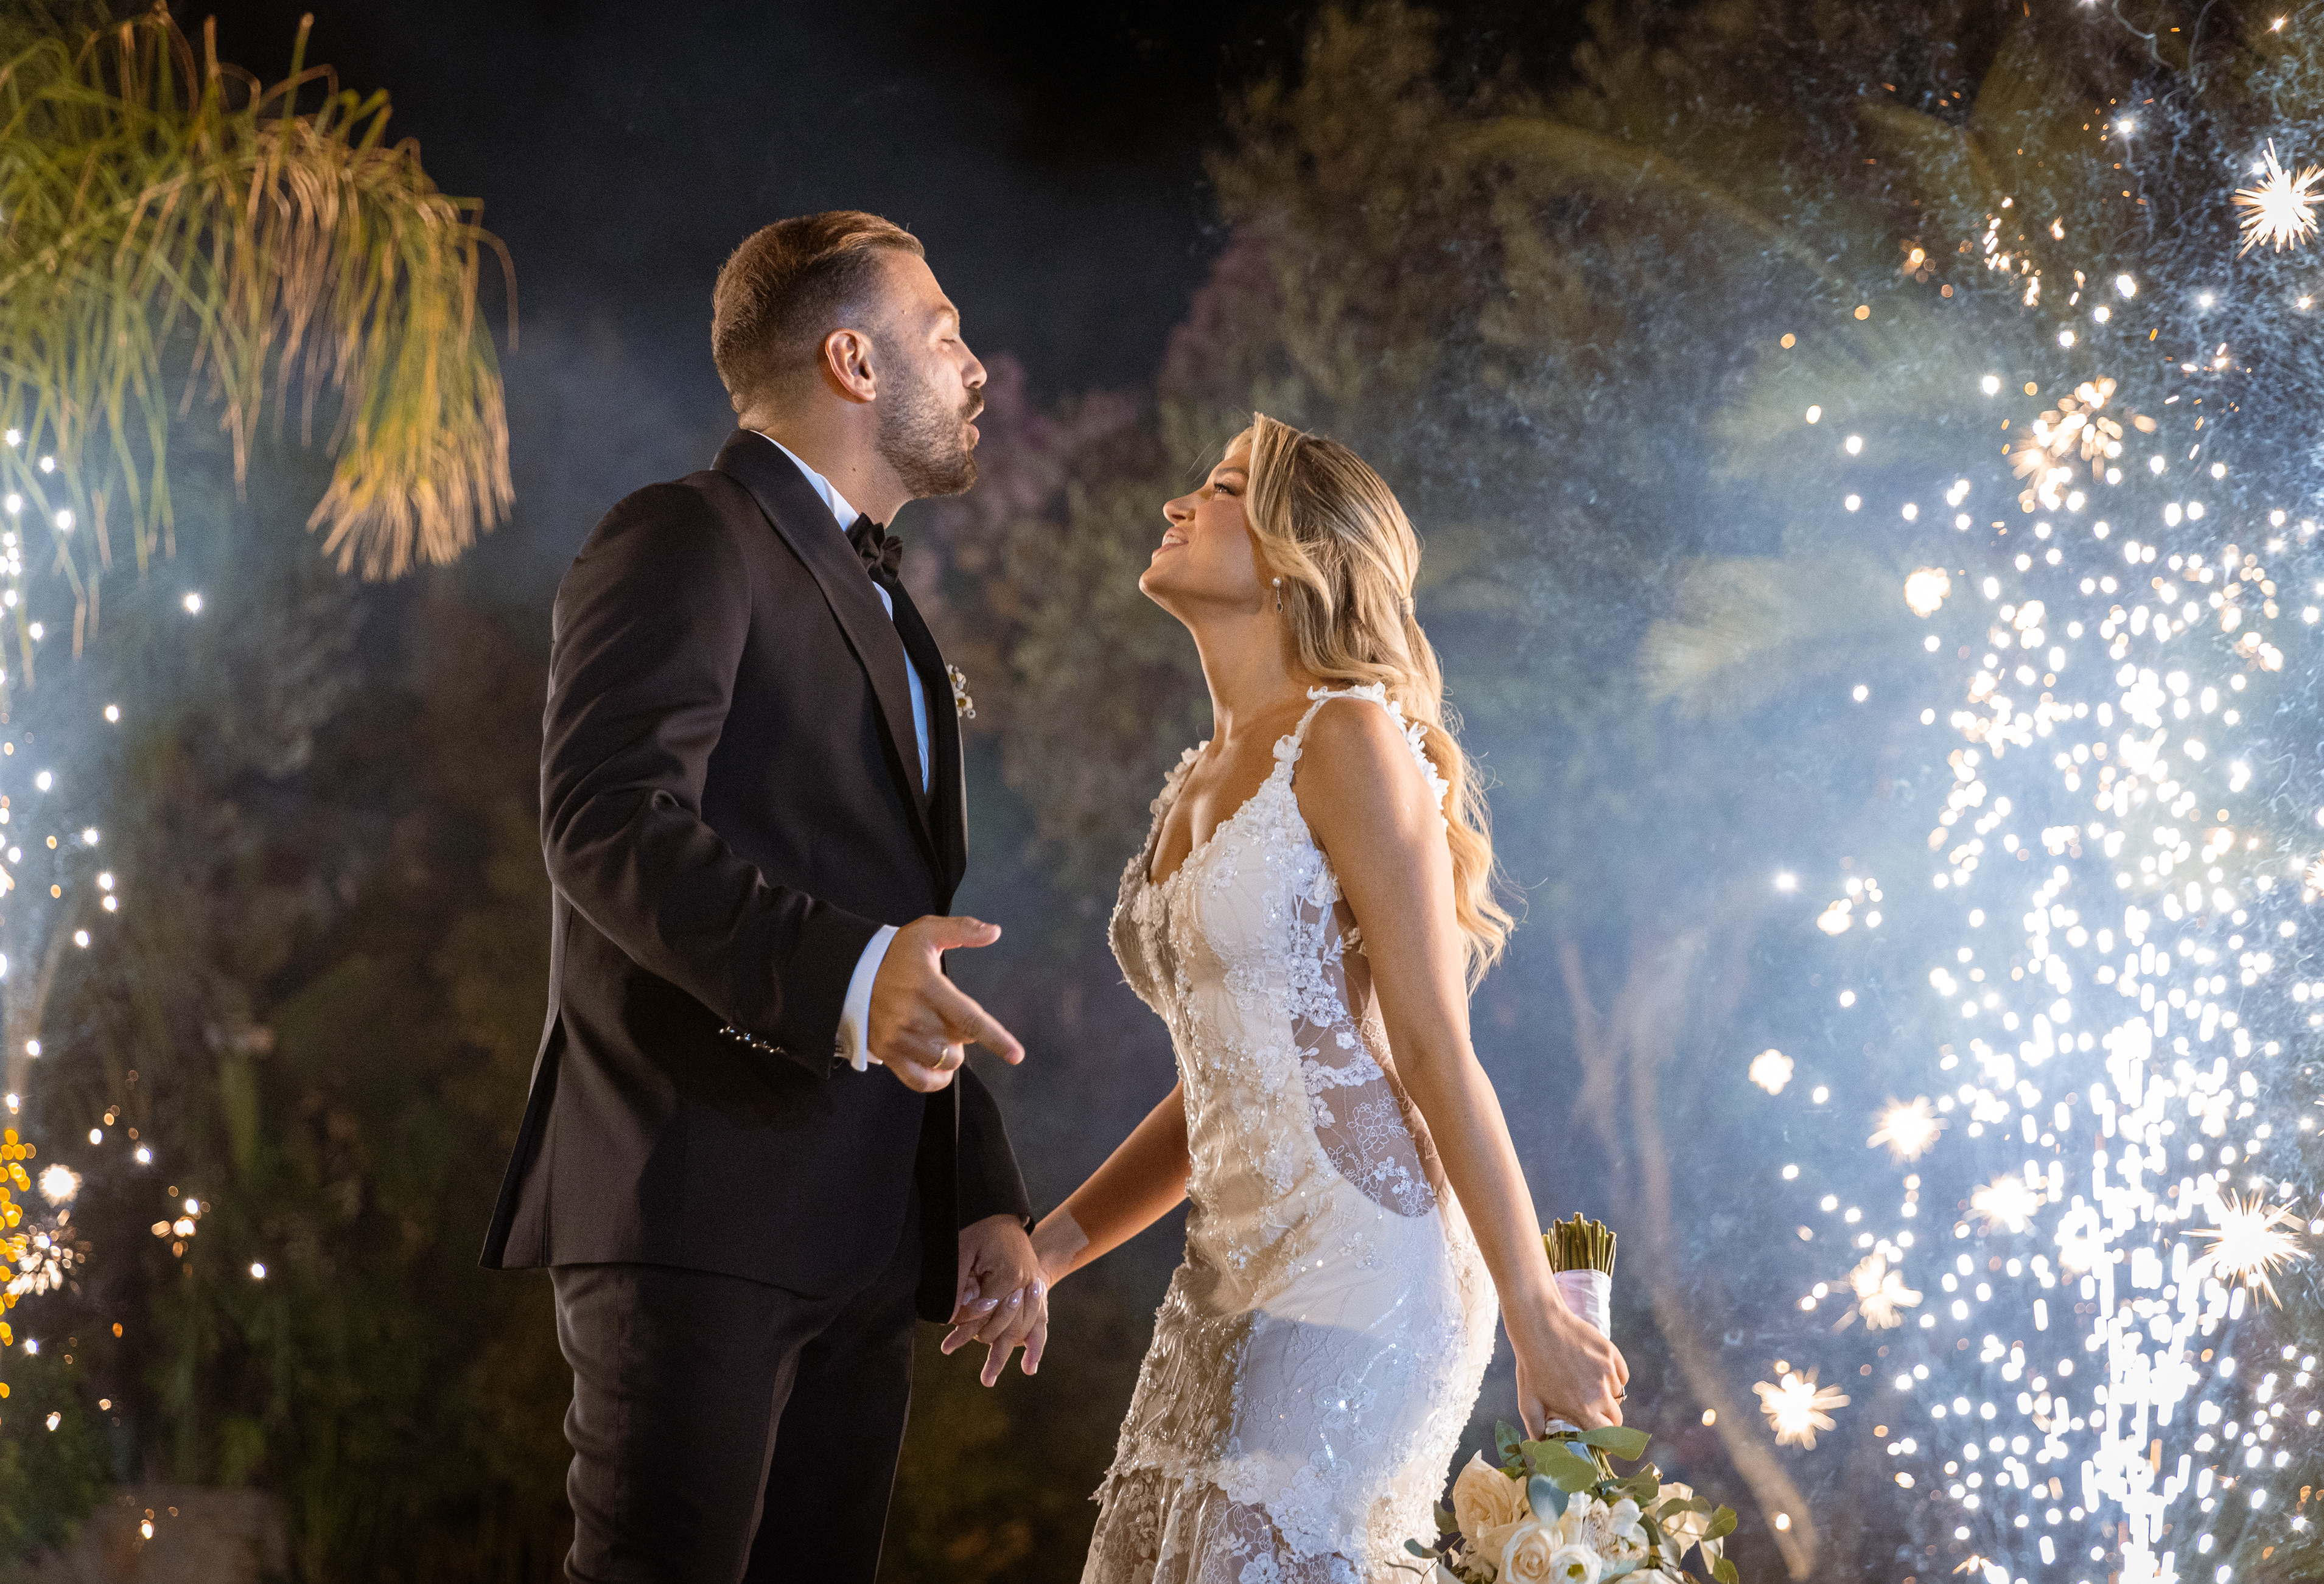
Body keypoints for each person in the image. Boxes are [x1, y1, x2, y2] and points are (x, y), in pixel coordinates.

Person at [480, 211, 1048, 1584]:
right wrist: (850, 976)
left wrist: (976, 1189)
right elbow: (607, 820)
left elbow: (894, 926)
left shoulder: (893, 609)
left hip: (865, 1230)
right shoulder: (684, 533)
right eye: (945, 334)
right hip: (697, 1202)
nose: (975, 366)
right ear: (853, 361)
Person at [1029, 416, 1629, 1582]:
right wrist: (1048, 1251)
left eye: (1221, 489)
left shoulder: (1349, 737)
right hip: (1221, 1276)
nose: (1178, 505)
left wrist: (1534, 1310)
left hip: (1364, 1257)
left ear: (1297, 555)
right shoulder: (1193, 781)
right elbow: (1222, 1079)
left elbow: (1433, 1046)